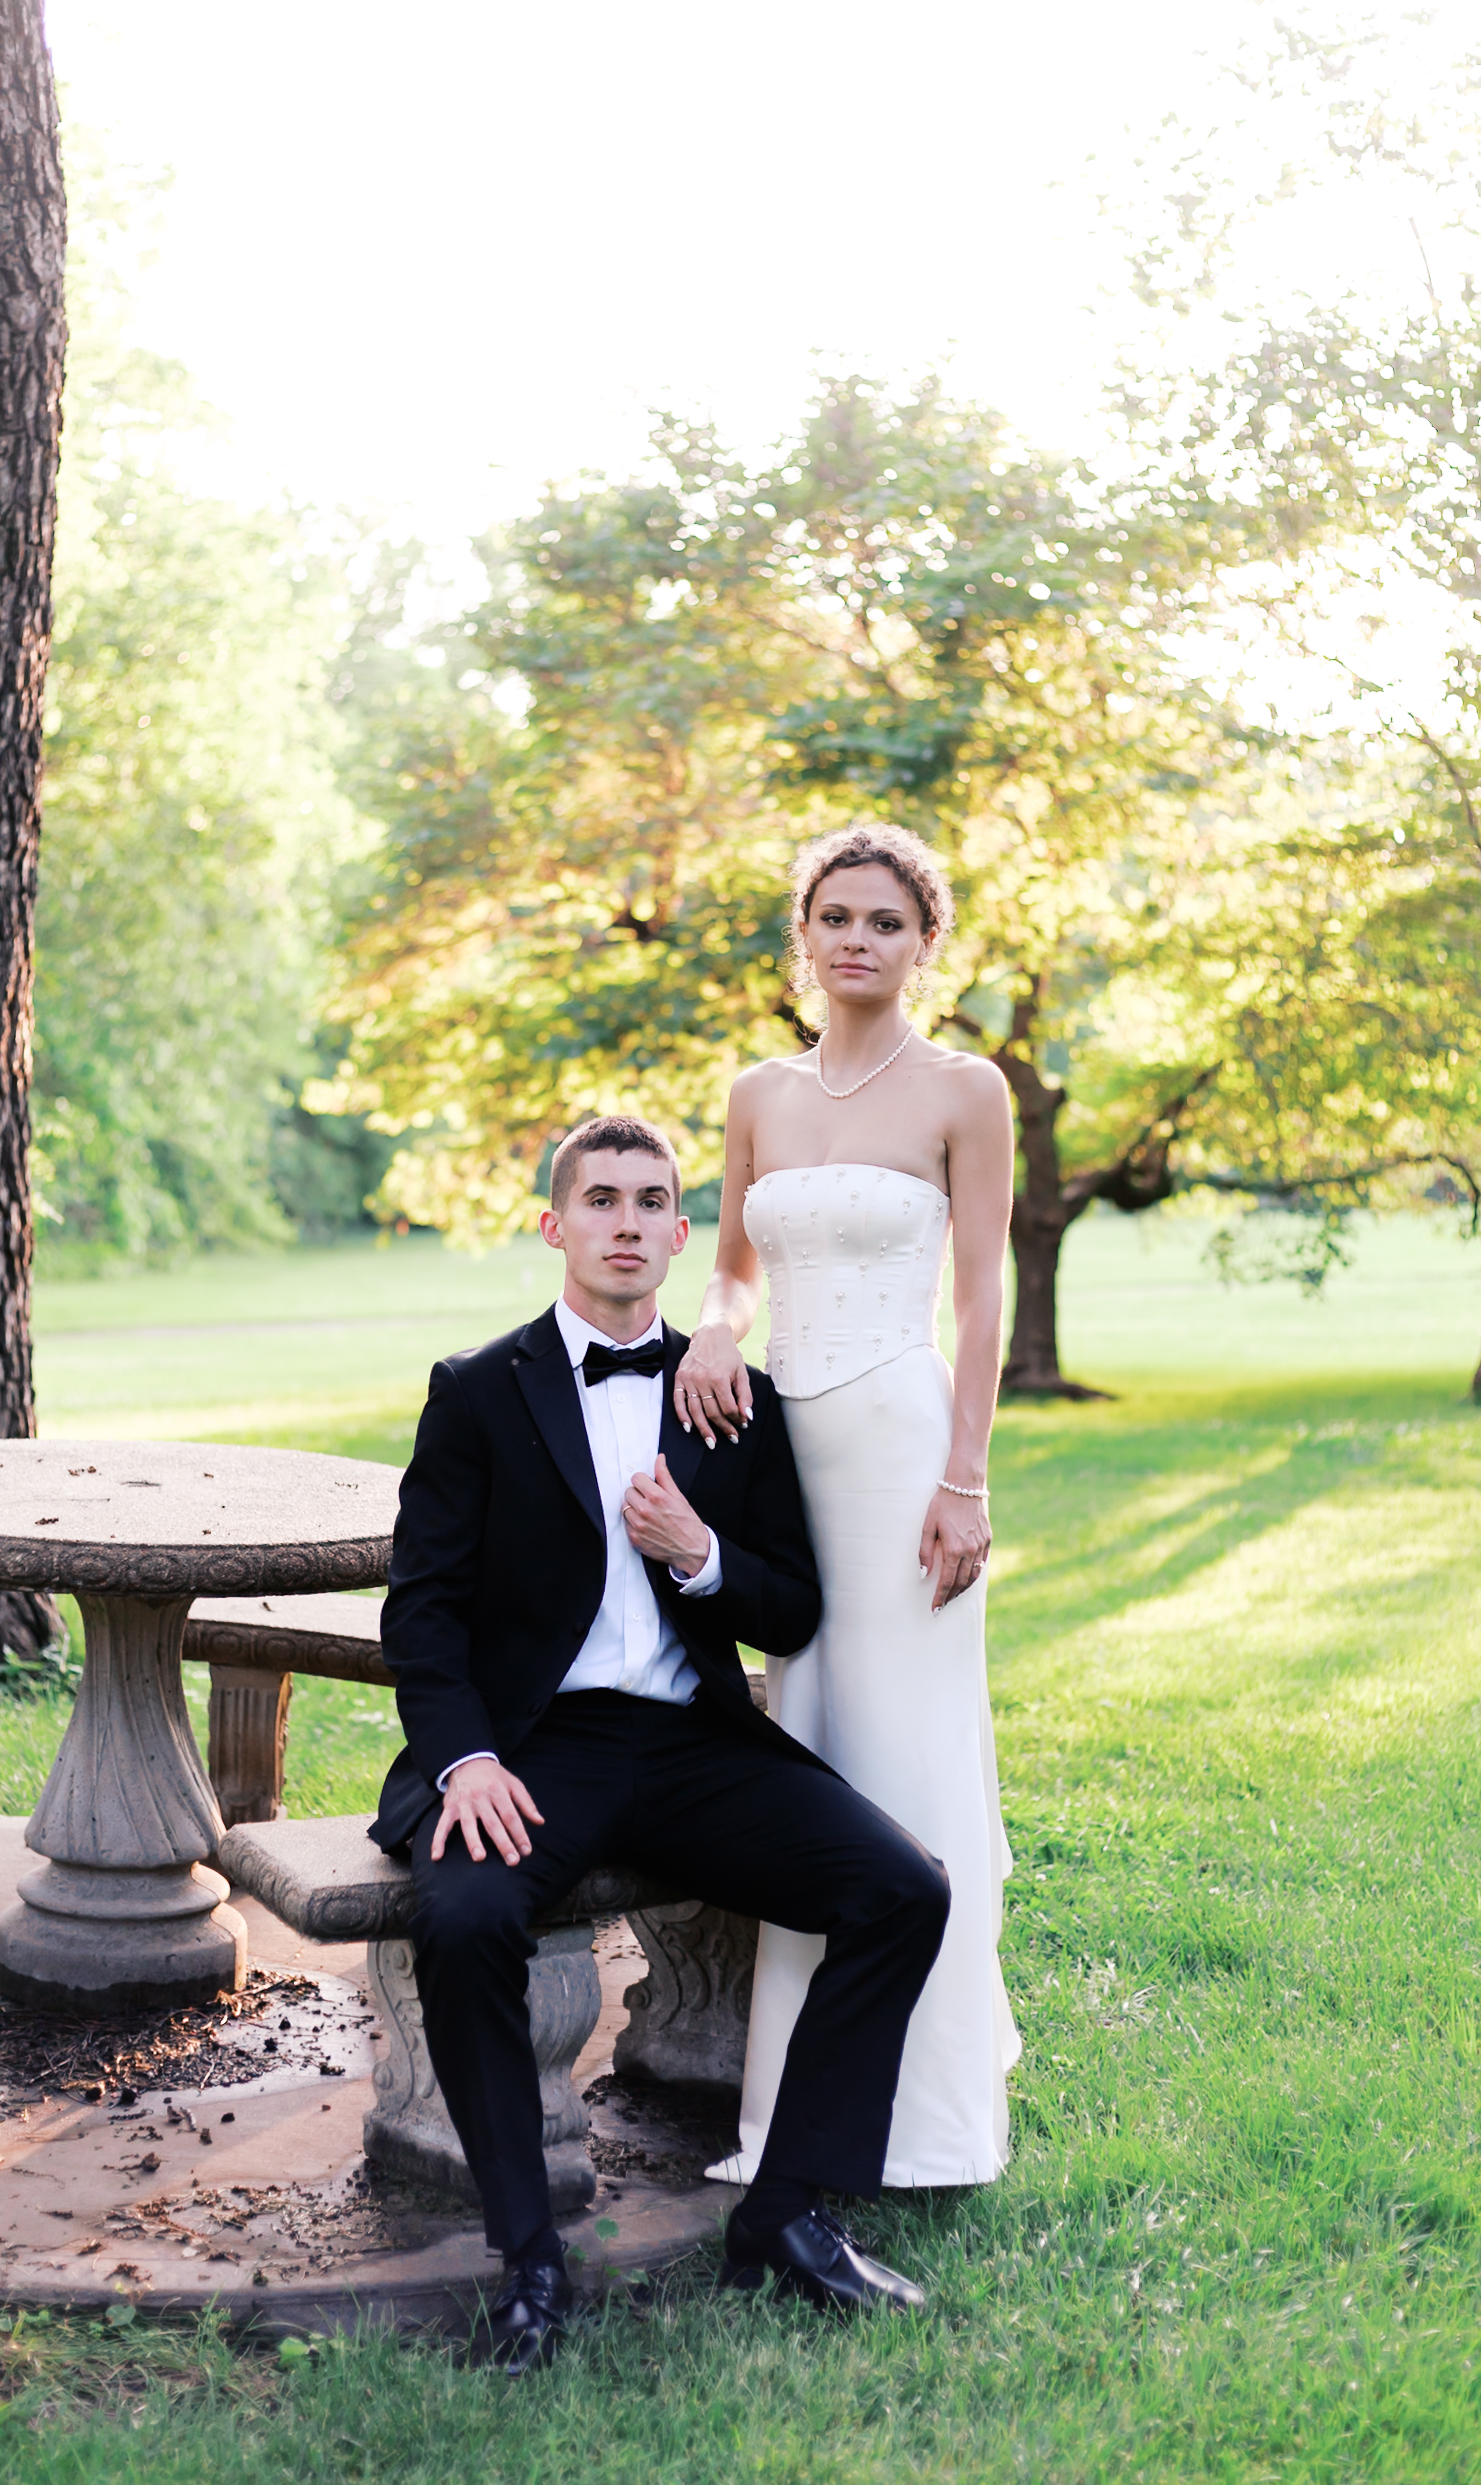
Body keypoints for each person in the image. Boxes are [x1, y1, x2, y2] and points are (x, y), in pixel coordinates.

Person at [374, 1113, 951, 2372]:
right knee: (466, 1920)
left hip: (693, 1744)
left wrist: (698, 1555)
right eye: (601, 1200)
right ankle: (529, 2260)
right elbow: (420, 1610)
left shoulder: (731, 1399)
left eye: (651, 1202)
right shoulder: (478, 1390)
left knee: (902, 1889)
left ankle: (786, 2214)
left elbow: (790, 1603)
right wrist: (464, 1761)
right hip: (534, 1746)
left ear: (683, 1235)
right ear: (556, 1226)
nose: (626, 1222)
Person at [674, 822, 1021, 2192]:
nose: (857, 939)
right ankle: (793, 2105)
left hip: (902, 1451)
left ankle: (924, 2122)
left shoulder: (963, 1090)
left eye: (885, 920)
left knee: (904, 1757)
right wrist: (712, 1329)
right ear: (802, 935)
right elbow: (735, 1271)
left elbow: (984, 1296)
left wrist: (965, 1478)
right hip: (783, 1457)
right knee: (808, 1753)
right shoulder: (759, 1092)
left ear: (923, 942)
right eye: (835, 916)